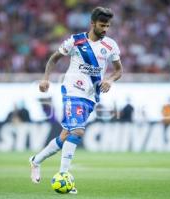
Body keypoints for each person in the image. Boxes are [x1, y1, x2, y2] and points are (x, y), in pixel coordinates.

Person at [29, 7, 123, 194]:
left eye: (108, 26)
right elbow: (54, 58)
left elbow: (119, 70)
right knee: (78, 131)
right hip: (72, 90)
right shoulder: (76, 41)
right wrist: (46, 79)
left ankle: (36, 161)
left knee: (66, 135)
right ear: (92, 24)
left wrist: (109, 80)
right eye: (102, 25)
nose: (105, 29)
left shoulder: (111, 45)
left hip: (90, 96)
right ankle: (64, 175)